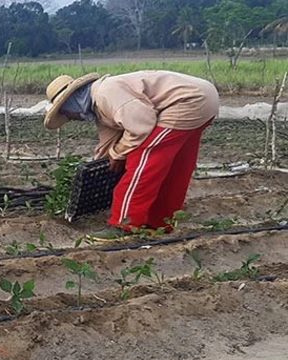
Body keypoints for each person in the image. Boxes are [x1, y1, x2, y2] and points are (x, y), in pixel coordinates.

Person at [43, 70, 220, 239]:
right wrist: (98, 169)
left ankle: (124, 223)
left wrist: (118, 154)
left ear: (71, 103)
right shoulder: (100, 107)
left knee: (142, 159)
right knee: (175, 167)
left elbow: (141, 125)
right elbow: (107, 145)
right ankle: (158, 223)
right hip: (203, 98)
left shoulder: (107, 94)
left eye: (66, 113)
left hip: (187, 101)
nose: (71, 118)